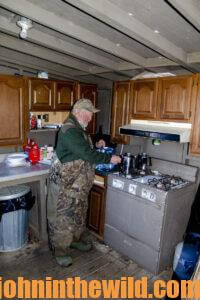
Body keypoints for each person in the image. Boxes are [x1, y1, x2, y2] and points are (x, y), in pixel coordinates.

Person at [47, 98, 121, 267]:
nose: (90, 118)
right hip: (65, 187)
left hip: (77, 187)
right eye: (89, 114)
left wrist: (96, 143)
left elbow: (83, 148)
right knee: (63, 220)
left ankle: (73, 241)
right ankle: (61, 252)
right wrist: (110, 157)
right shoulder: (69, 130)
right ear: (79, 112)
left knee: (78, 216)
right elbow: (87, 154)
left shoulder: (79, 129)